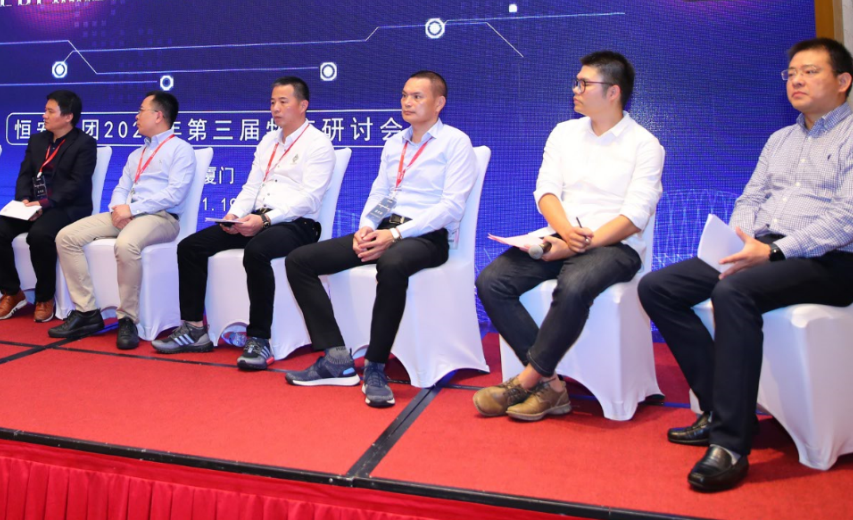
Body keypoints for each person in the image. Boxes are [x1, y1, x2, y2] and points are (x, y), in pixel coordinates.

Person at [638, 38, 853, 492]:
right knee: (659, 287)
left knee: (733, 290)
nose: (796, 81)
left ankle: (730, 444)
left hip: (830, 263)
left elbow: (848, 219)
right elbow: (751, 197)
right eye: (791, 73)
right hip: (763, 251)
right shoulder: (781, 139)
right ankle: (720, 407)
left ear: (843, 81)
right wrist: (745, 239)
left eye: (810, 72)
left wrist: (775, 252)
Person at [474, 51, 664, 420]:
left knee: (574, 285)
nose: (575, 89)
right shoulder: (564, 133)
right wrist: (564, 235)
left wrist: (579, 245)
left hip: (615, 246)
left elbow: (634, 216)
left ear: (613, 92)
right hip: (560, 236)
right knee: (492, 281)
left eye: (584, 84)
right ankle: (551, 386)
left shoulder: (645, 145)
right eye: (576, 82)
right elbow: (546, 191)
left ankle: (526, 381)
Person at [284, 71, 478, 408]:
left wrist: (396, 234)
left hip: (426, 236)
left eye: (417, 96)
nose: (407, 102)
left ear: (439, 103)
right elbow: (383, 194)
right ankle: (336, 357)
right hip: (385, 229)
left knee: (391, 263)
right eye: (404, 95)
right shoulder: (394, 143)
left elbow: (451, 207)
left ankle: (375, 366)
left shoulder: (455, 143)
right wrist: (366, 226)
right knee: (300, 260)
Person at [153, 76, 336, 369]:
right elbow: (251, 187)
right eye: (272, 102)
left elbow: (309, 199)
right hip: (257, 219)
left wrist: (265, 220)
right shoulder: (268, 141)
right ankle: (194, 328)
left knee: (257, 251)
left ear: (303, 106)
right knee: (190, 246)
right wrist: (234, 215)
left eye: (283, 102)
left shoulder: (318, 143)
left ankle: (259, 339)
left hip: (296, 224)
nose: (275, 108)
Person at [50, 91, 196, 350]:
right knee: (66, 237)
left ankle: (127, 319)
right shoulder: (136, 154)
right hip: (127, 215)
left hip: (161, 218)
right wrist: (118, 209)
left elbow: (175, 194)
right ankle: (87, 312)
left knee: (126, 244)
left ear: (158, 116)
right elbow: (121, 187)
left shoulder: (181, 150)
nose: (136, 116)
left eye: (141, 110)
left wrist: (133, 209)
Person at [0, 90, 98, 323]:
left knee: (39, 235)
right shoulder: (37, 140)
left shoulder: (84, 144)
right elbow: (25, 174)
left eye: (50, 111)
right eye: (45, 110)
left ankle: (44, 297)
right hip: (32, 206)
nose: (44, 115)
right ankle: (11, 292)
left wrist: (43, 204)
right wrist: (24, 200)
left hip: (67, 208)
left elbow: (76, 184)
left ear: (68, 116)